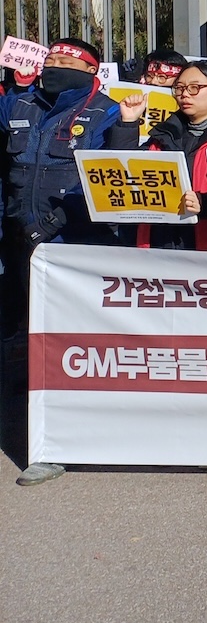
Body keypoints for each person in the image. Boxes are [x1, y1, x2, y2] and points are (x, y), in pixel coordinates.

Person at [0, 38, 124, 486]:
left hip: (76, 241)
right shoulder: (21, 103)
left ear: (91, 70)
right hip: (21, 239)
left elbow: (108, 179)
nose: (54, 65)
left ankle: (74, 434)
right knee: (33, 330)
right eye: (49, 59)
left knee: (73, 339)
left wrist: (52, 224)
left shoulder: (108, 111)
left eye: (66, 60)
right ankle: (42, 430)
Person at [110, 60, 207, 253]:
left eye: (194, 88)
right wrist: (128, 123)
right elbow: (123, 175)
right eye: (179, 88)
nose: (184, 94)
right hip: (160, 244)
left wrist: (205, 203)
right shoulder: (163, 134)